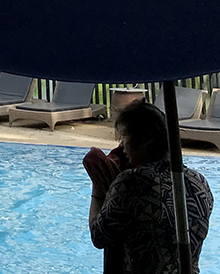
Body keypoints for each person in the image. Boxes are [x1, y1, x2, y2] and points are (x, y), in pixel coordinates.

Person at [85, 101, 213, 274]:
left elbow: (99, 236)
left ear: (144, 140)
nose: (122, 146)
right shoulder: (199, 182)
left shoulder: (132, 183)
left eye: (124, 137)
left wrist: (98, 189)